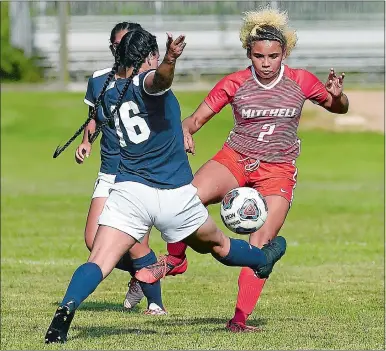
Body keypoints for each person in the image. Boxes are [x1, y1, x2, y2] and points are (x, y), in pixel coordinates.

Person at [45, 27, 286, 344]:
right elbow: (158, 81)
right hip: (174, 194)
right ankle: (262, 259)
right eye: (157, 55)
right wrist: (171, 59)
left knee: (98, 261)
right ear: (150, 57)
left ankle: (65, 311)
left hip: (129, 191)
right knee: (217, 246)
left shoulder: (110, 89)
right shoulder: (148, 83)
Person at [135, 6, 349, 332]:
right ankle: (176, 259)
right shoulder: (234, 83)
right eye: (259, 56)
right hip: (236, 159)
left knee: (260, 243)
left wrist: (339, 96)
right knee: (186, 198)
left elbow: (339, 107)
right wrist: (186, 132)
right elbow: (193, 120)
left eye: (273, 56)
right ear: (249, 52)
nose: (266, 63)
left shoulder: (301, 80)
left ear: (284, 53)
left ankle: (238, 320)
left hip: (277, 169)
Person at [75, 21, 167, 314]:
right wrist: (87, 141)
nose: (122, 49)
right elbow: (95, 117)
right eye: (117, 45)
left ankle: (155, 303)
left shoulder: (148, 81)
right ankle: (145, 271)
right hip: (109, 168)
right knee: (93, 241)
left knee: (137, 240)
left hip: (140, 172)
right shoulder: (100, 79)